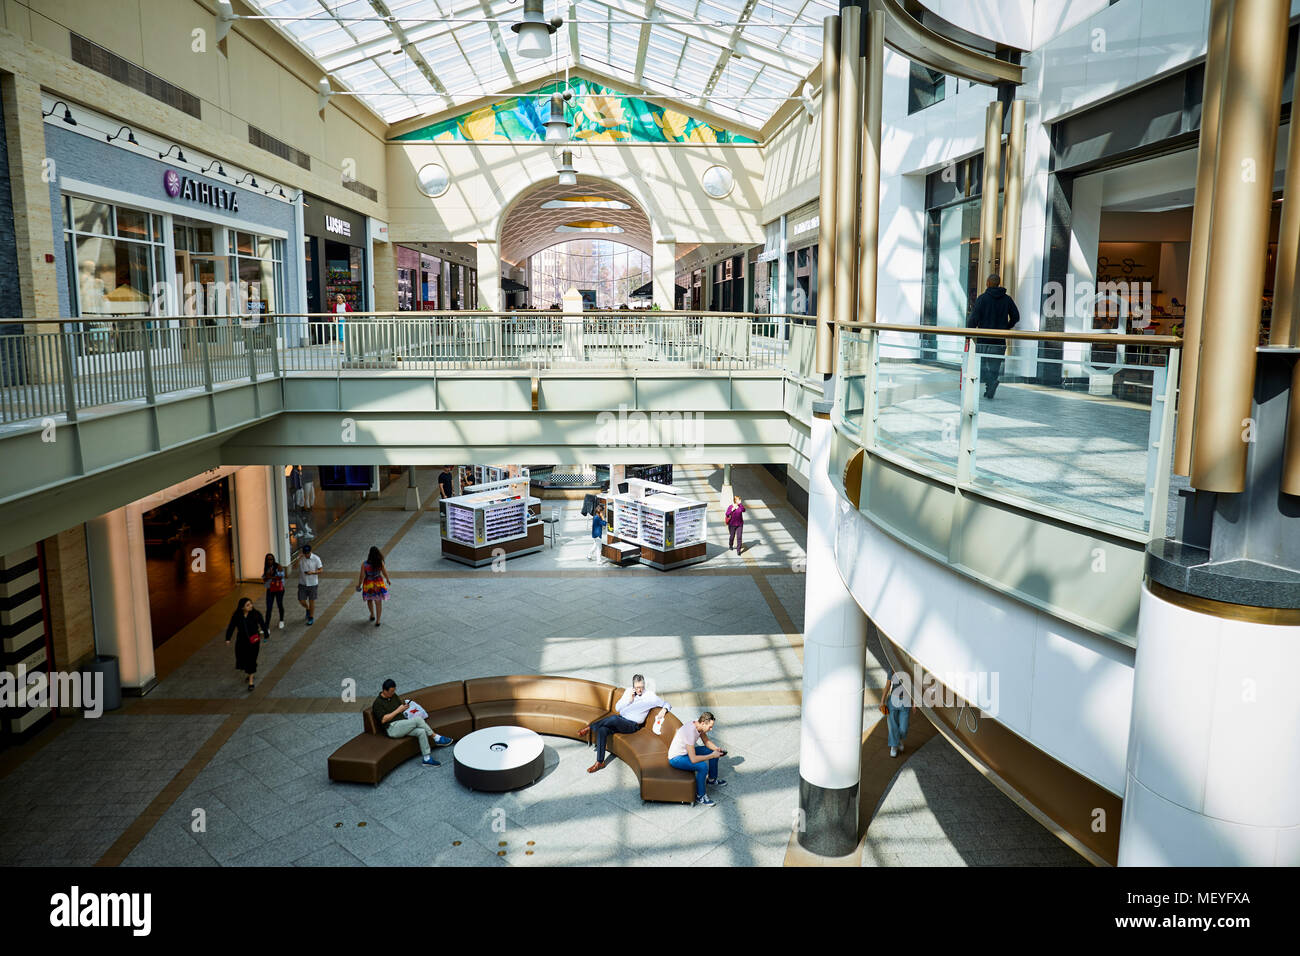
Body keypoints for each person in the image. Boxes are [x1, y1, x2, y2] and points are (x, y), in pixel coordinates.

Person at [580, 674, 671, 773]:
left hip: (632, 725)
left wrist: (664, 710)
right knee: (602, 730)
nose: (639, 690)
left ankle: (590, 727)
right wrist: (629, 700)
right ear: (633, 687)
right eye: (637, 688)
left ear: (644, 686)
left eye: (641, 687)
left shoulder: (650, 696)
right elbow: (617, 708)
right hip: (621, 720)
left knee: (614, 718)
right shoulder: (628, 692)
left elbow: (666, 704)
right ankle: (600, 762)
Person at [371, 679, 454, 766]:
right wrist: (398, 710)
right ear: (385, 690)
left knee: (421, 732)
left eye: (394, 690)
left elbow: (400, 707)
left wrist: (404, 707)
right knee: (418, 720)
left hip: (402, 724)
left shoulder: (393, 696)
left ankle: (427, 759)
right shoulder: (378, 703)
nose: (393, 693)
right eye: (391, 691)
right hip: (392, 728)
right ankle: (436, 737)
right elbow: (383, 719)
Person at [967, 273, 1020, 399]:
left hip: (984, 338)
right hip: (999, 339)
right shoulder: (1007, 299)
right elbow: (1016, 317)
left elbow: (974, 318)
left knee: (983, 364)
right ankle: (991, 385)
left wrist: (968, 334)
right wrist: (1006, 327)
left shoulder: (982, 299)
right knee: (995, 365)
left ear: (988, 283)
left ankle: (990, 384)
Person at [667, 711, 727, 806]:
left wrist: (716, 749)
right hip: (676, 758)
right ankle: (701, 796)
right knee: (702, 766)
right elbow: (693, 759)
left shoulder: (698, 724)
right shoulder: (690, 732)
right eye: (710, 727)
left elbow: (706, 741)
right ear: (703, 723)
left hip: (685, 752)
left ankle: (711, 779)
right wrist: (712, 756)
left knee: (712, 751)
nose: (711, 729)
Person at [225, 597, 268, 691]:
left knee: (251, 659)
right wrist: (228, 638)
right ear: (242, 607)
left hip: (254, 641)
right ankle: (250, 671)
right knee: (243, 658)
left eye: (251, 604)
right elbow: (231, 626)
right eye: (248, 605)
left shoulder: (256, 614)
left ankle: (251, 682)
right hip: (242, 641)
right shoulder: (237, 616)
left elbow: (262, 624)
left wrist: (266, 634)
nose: (251, 606)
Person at [356, 545, 392, 627]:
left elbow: (362, 576)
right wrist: (387, 579)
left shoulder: (364, 564)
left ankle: (372, 614)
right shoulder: (380, 562)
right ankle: (378, 621)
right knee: (378, 602)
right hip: (378, 583)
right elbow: (384, 572)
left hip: (368, 583)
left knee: (369, 600)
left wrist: (359, 585)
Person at [880, 669, 911, 758]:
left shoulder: (909, 667)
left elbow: (914, 687)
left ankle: (898, 738)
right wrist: (882, 701)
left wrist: (915, 703)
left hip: (906, 701)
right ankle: (894, 745)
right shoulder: (892, 668)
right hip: (893, 700)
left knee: (904, 727)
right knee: (892, 725)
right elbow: (887, 686)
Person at [297, 543, 323, 626]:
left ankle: (311, 617)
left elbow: (321, 570)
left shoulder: (316, 558)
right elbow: (294, 567)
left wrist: (313, 572)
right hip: (302, 583)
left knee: (312, 600)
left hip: (312, 583)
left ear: (310, 552)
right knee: (301, 600)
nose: (306, 555)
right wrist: (298, 559)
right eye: (305, 553)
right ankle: (307, 608)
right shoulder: (301, 559)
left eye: (308, 553)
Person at [261, 553, 286, 634]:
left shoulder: (278, 566)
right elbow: (264, 579)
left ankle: (281, 620)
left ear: (273, 559)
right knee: (269, 608)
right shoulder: (266, 568)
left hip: (279, 589)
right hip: (270, 589)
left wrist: (269, 576)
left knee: (279, 604)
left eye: (271, 559)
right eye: (268, 559)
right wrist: (267, 576)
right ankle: (266, 627)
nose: (270, 561)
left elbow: (280, 577)